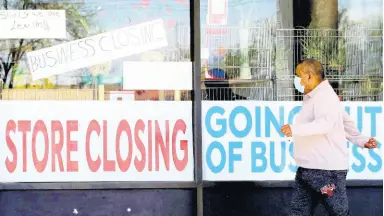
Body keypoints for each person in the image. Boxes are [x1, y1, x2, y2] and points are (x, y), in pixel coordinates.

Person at [280, 59, 377, 216]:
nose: (296, 79)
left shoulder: (325, 96)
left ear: (309, 76)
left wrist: (294, 129)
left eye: (299, 75)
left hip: (326, 172)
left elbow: (325, 124)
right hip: (308, 169)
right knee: (299, 212)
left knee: (338, 212)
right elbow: (342, 121)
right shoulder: (315, 96)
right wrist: (361, 139)